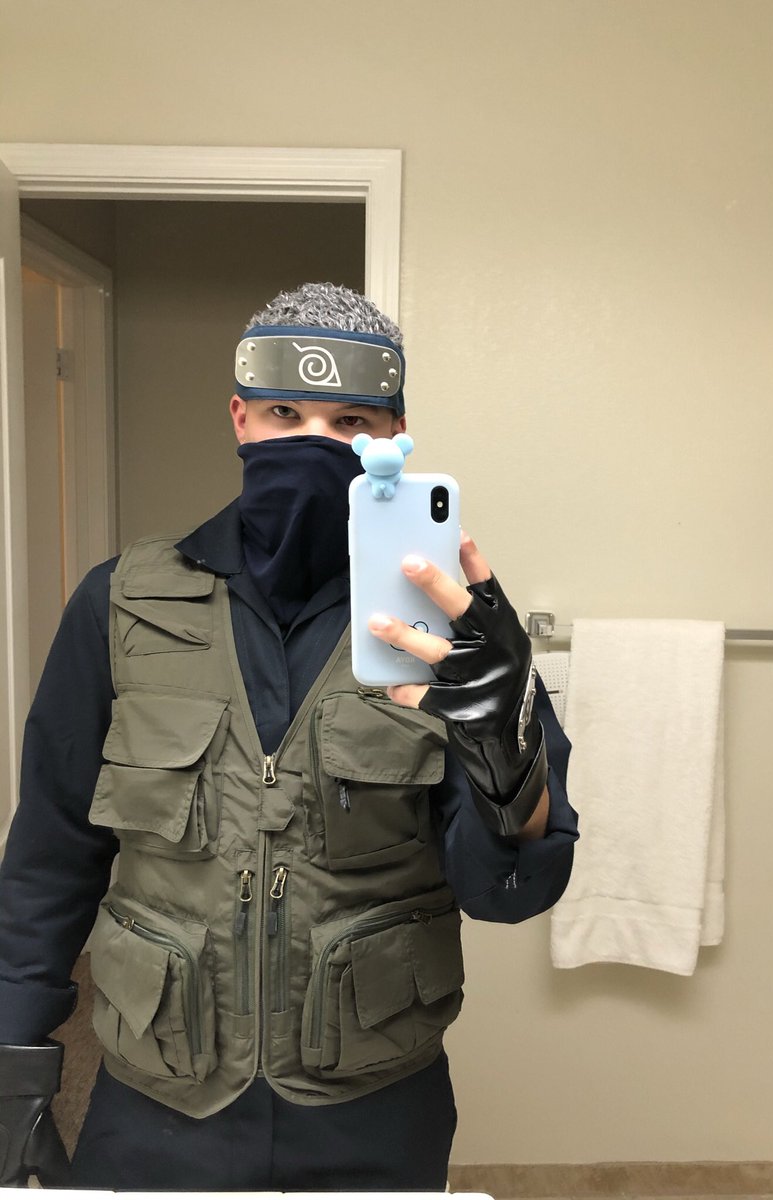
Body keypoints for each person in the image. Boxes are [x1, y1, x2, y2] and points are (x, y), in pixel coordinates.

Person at [0, 283, 578, 1190]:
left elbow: (509, 893)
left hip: (374, 1103)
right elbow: (51, 851)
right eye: (284, 413)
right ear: (240, 418)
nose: (315, 441)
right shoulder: (120, 603)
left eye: (351, 422)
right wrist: (14, 1061)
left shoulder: (454, 629)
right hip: (157, 1100)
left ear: (394, 438)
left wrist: (503, 729)